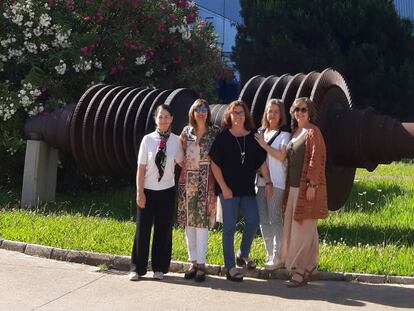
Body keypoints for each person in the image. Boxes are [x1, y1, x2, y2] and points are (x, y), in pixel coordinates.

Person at [209, 100, 273, 282]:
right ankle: (230, 267)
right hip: (228, 191)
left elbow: (260, 162)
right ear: (229, 115)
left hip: (246, 190)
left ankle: (242, 253)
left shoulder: (252, 137)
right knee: (229, 228)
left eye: (241, 112)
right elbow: (214, 164)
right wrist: (224, 188)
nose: (238, 115)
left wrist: (268, 181)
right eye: (234, 112)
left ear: (246, 116)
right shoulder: (223, 138)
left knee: (253, 221)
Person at [129, 104, 184, 281]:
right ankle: (137, 268)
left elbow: (184, 163)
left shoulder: (177, 140)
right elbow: (141, 168)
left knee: (163, 230)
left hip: (167, 191)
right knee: (142, 229)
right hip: (148, 190)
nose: (163, 120)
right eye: (160, 116)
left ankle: (159, 268)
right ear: (155, 119)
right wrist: (140, 192)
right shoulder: (148, 140)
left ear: (172, 119)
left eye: (167, 116)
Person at [281, 97, 328, 287]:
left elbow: (317, 158)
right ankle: (311, 267)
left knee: (303, 230)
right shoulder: (295, 133)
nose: (299, 113)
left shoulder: (312, 132)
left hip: (306, 189)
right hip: (292, 189)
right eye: (296, 109)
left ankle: (300, 272)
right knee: (303, 230)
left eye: (303, 109)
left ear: (310, 112)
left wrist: (312, 185)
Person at [177, 99, 221, 282]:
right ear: (192, 112)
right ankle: (193, 262)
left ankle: (202, 264)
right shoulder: (186, 132)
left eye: (204, 109)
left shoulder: (215, 131)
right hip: (187, 180)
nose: (201, 112)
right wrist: (184, 166)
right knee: (189, 221)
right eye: (198, 109)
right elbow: (179, 151)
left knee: (202, 221)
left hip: (207, 179)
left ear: (208, 113)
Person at [254, 99, 291, 270]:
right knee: (263, 219)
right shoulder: (261, 132)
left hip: (276, 182)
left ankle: (279, 256)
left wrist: (263, 144)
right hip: (260, 182)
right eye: (270, 111)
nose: (273, 115)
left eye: (276, 111)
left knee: (275, 218)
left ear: (281, 114)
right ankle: (270, 253)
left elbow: (281, 156)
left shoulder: (284, 134)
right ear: (266, 114)